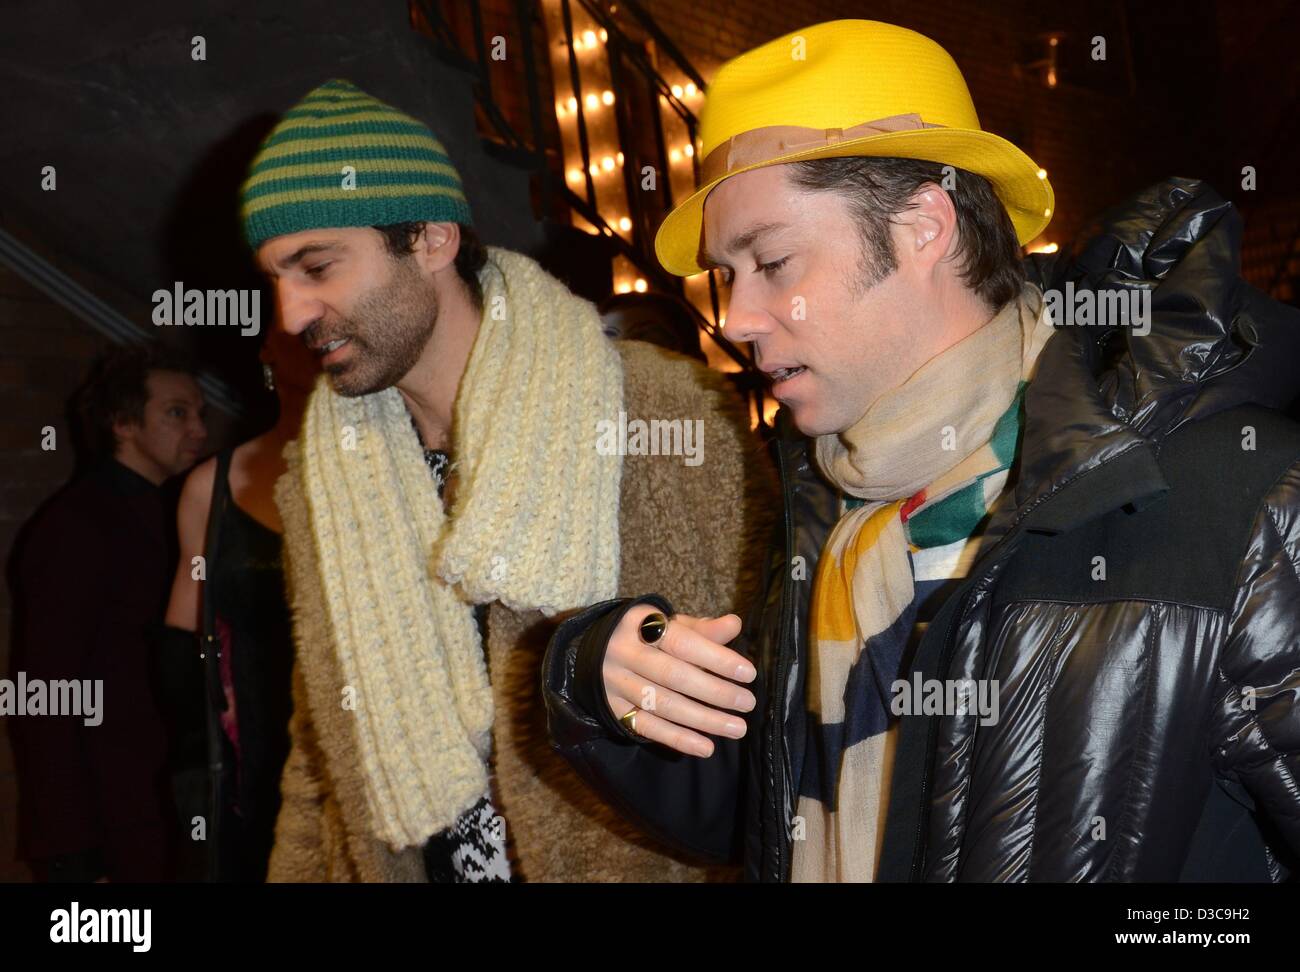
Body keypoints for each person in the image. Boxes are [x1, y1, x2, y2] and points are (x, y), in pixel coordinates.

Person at [544, 19, 1300, 882]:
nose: (738, 317)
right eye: (728, 275)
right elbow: (776, 809)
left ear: (923, 226)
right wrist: (595, 675)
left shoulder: (1246, 500)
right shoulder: (836, 510)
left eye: (775, 262)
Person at [239, 79, 773, 882]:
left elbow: (772, 688)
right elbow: (322, 754)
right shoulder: (321, 482)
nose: (289, 314)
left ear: (430, 239)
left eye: (317, 266)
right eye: (276, 277)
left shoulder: (663, 411)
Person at [10, 344, 207, 882]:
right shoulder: (78, 525)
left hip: (165, 809)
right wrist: (73, 851)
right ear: (123, 423)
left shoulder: (173, 513)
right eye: (176, 413)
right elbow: (43, 695)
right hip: (111, 824)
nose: (198, 430)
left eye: (199, 414)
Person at [152, 324, 318, 881]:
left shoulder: (399, 471)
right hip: (254, 771)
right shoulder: (214, 484)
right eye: (295, 326)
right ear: (268, 352)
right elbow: (182, 649)